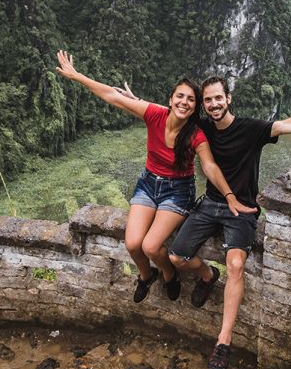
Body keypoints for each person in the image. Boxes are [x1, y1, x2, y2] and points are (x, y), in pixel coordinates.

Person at [168, 76, 291, 369]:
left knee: (236, 265)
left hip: (242, 208)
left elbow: (281, 126)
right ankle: (206, 276)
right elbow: (166, 114)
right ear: (203, 105)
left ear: (229, 98)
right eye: (208, 100)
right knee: (176, 256)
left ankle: (223, 341)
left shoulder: (250, 129)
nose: (214, 104)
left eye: (218, 98)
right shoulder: (200, 128)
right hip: (211, 204)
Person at [54, 51, 255, 304]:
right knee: (132, 243)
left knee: (151, 246)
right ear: (170, 100)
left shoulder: (196, 135)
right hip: (148, 184)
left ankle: (170, 275)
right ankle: (146, 275)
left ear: (196, 107)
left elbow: (210, 167)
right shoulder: (154, 114)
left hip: (178, 191)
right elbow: (113, 97)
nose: (184, 102)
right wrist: (76, 76)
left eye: (191, 99)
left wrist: (230, 196)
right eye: (179, 96)